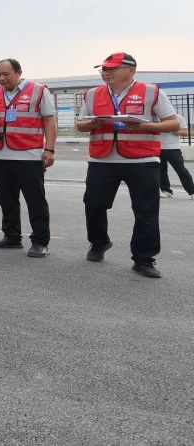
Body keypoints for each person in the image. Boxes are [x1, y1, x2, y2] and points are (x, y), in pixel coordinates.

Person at [75, 52, 179, 279]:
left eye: (111, 68)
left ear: (131, 70)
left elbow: (173, 122)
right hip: (102, 159)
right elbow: (80, 123)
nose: (106, 73)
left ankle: (144, 259)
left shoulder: (151, 92)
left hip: (142, 160)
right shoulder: (92, 94)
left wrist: (146, 126)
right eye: (103, 69)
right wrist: (92, 123)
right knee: (93, 204)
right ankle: (99, 242)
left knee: (146, 211)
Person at [0, 58, 57, 258]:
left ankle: (40, 241)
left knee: (35, 200)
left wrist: (50, 149)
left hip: (29, 155)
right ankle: (11, 236)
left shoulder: (38, 91)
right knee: (6, 199)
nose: (1, 78)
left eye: (6, 74)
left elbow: (49, 120)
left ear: (19, 73)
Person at [159, 114, 193, 200]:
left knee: (181, 170)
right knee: (161, 171)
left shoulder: (178, 117)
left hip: (173, 148)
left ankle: (192, 191)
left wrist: (170, 130)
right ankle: (166, 191)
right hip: (158, 148)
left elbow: (185, 132)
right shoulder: (156, 118)